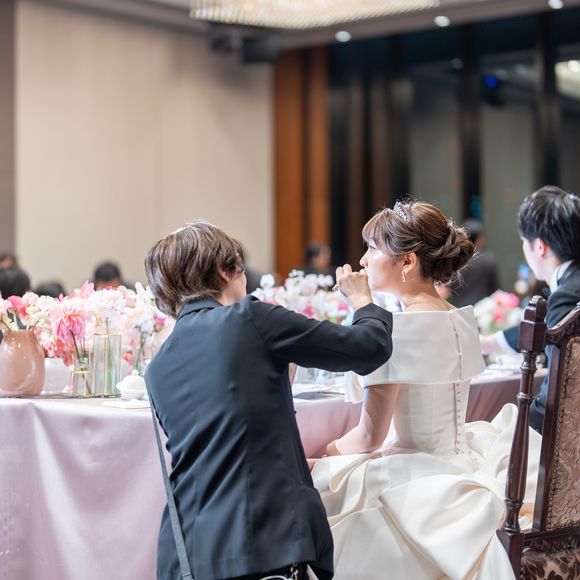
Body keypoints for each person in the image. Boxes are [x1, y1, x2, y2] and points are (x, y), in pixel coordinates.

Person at [144, 220, 394, 580]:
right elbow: (369, 348)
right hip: (259, 542)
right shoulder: (250, 319)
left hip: (187, 553)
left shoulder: (157, 366)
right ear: (224, 271)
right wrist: (362, 302)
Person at [311, 201, 541, 580]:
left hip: (416, 477)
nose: (363, 260)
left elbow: (369, 437)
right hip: (461, 461)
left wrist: (327, 452)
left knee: (316, 485)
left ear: (407, 262)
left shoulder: (396, 330)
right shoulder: (461, 319)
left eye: (372, 248)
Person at [480, 186, 580, 433]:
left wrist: (518, 431)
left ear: (540, 247)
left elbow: (556, 396)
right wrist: (494, 341)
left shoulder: (566, 297)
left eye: (524, 242)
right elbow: (545, 327)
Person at [448, 218, 500, 307]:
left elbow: (448, 288)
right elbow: (495, 290)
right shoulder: (488, 260)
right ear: (479, 238)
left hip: (459, 308)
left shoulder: (453, 259)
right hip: (483, 309)